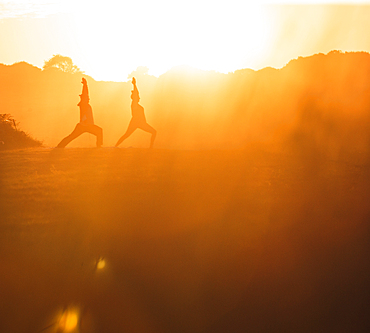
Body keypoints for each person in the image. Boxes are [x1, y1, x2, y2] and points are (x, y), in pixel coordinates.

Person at [56, 78, 103, 148]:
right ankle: (60, 146)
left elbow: (86, 94)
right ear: (83, 99)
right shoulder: (83, 104)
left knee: (99, 131)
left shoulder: (85, 104)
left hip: (88, 126)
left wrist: (85, 85)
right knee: (71, 137)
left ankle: (99, 145)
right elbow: (85, 93)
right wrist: (85, 85)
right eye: (87, 98)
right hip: (82, 126)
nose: (88, 98)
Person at [115, 77, 156, 148]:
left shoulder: (136, 104)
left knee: (154, 132)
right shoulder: (134, 103)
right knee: (126, 135)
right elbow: (136, 94)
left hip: (141, 123)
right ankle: (115, 146)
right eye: (138, 97)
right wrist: (134, 85)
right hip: (136, 122)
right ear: (134, 98)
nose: (139, 97)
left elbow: (137, 94)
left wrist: (135, 85)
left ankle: (151, 147)